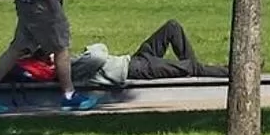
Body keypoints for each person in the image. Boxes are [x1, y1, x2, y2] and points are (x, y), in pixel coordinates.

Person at [70, 19, 228, 91]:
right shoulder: (68, 70)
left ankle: (194, 70)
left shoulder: (69, 63)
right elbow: (99, 55)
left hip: (135, 59)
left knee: (172, 27)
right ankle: (232, 72)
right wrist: (92, 48)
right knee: (190, 67)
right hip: (135, 70)